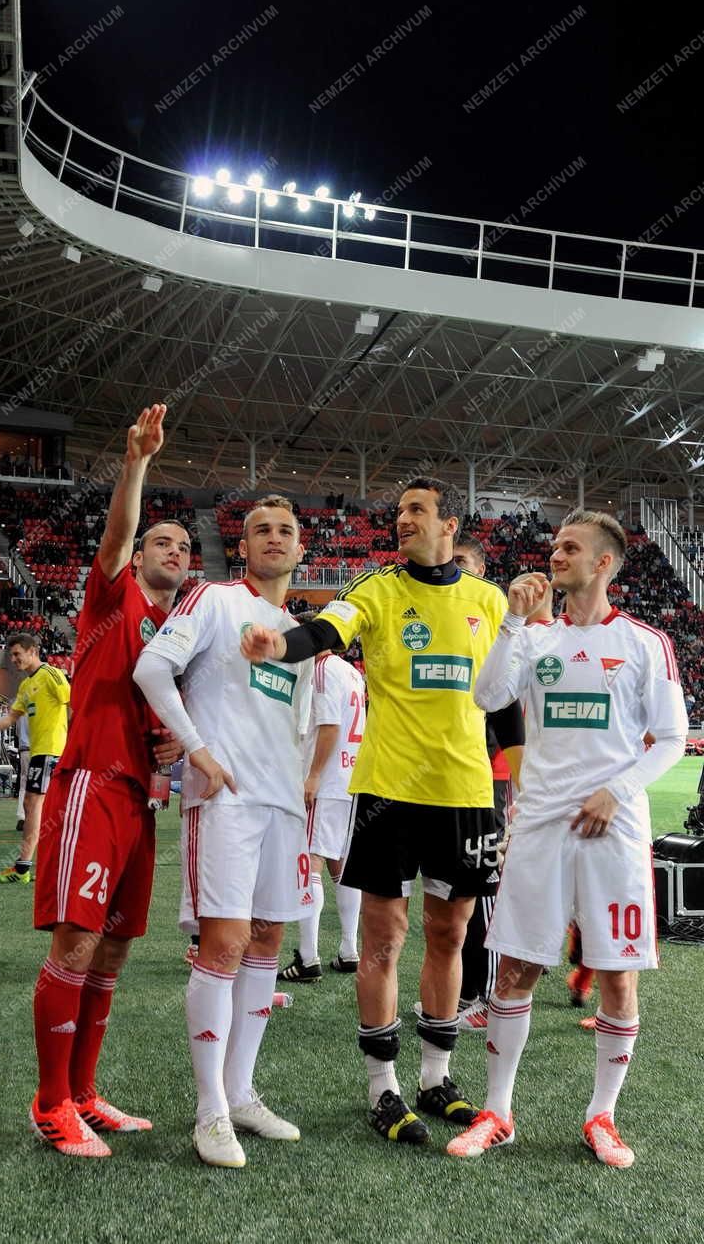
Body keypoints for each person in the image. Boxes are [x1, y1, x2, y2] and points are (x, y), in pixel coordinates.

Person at [240, 478, 523, 1146]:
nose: (402, 520)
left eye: (417, 510)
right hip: (388, 791)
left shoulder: (489, 599)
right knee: (383, 938)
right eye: (398, 512)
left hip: (466, 792)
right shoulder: (375, 589)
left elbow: (506, 700)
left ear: (449, 524)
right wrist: (282, 644)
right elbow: (326, 630)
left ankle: (436, 1078)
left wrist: (525, 781)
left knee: (450, 934)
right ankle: (382, 1088)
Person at [447, 511, 688, 1167]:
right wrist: (512, 621)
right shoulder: (536, 638)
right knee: (517, 969)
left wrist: (617, 790)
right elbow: (488, 695)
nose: (555, 555)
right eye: (555, 545)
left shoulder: (646, 642)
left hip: (615, 828)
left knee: (617, 977)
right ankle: (498, 1111)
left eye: (570, 547)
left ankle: (601, 1115)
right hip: (540, 826)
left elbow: (671, 738)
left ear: (603, 563)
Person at [27, 405, 191, 1158]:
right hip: (91, 785)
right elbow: (117, 536)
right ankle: (50, 1102)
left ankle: (85, 1092)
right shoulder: (112, 596)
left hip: (140, 801)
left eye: (184, 546)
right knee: (76, 943)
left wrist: (171, 746)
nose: (174, 550)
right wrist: (136, 463)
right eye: (163, 541)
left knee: (114, 950)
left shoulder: (176, 633)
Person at [135, 494, 313, 1169]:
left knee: (267, 940)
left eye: (286, 530)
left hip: (282, 804)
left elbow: (297, 723)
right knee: (225, 943)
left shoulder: (297, 634)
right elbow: (151, 669)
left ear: (300, 549)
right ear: (242, 547)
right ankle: (209, 1109)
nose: (274, 538)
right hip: (226, 801)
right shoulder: (213, 599)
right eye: (261, 529)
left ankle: (241, 1093)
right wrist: (197, 749)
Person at [441, 534, 528, 1031]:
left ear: (481, 570)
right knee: (456, 895)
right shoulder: (444, 622)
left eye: (463, 562)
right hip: (448, 777)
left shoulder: (498, 620)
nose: (454, 569)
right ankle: (467, 990)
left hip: (488, 773)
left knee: (484, 890)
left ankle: (490, 997)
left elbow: (506, 704)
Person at [277, 628, 366, 982]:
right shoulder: (351, 671)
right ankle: (348, 949)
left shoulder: (321, 671)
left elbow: (329, 726)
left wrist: (312, 776)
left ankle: (308, 956)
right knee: (341, 863)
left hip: (327, 779)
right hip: (350, 775)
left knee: (310, 860)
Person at [0, 634, 70, 883]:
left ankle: (23, 867)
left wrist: (77, 744)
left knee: (34, 802)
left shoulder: (51, 674)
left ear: (33, 651)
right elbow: (11, 718)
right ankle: (31, 865)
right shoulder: (25, 686)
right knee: (34, 805)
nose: (13, 659)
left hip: (51, 750)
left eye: (17, 654)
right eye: (12, 655)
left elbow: (74, 703)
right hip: (38, 751)